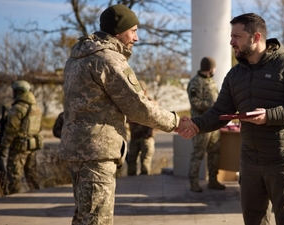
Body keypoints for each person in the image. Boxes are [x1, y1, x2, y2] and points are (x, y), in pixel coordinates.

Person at [59, 4, 197, 224]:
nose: (137, 37)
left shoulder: (76, 58)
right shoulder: (108, 59)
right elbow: (138, 106)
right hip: (97, 151)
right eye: (132, 30)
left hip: (76, 149)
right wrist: (175, 122)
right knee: (96, 220)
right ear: (118, 31)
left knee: (84, 216)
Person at [179, 13, 284, 225]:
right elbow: (219, 112)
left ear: (256, 37)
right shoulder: (235, 75)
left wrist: (269, 116)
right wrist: (196, 125)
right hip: (249, 161)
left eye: (237, 36)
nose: (231, 41)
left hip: (282, 161)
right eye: (231, 36)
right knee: (254, 220)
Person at [186, 57, 225, 192]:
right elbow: (195, 102)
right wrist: (212, 105)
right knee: (198, 153)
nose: (215, 70)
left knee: (215, 152)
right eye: (214, 68)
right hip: (200, 125)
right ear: (210, 68)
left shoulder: (212, 82)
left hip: (214, 124)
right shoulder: (195, 82)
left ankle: (213, 180)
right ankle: (193, 182)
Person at [0, 80, 43, 195]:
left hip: (19, 147)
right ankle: (38, 197)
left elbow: (10, 131)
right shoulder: (36, 107)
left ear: (19, 91)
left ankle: (14, 200)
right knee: (32, 175)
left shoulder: (18, 108)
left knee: (14, 176)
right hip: (32, 146)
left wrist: (3, 147)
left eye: (14, 91)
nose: (13, 93)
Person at [126, 81, 156, 176]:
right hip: (135, 137)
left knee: (145, 164)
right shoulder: (131, 104)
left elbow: (156, 121)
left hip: (146, 138)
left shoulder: (151, 103)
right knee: (131, 162)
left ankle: (143, 185)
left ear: (145, 91)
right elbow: (126, 119)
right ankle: (131, 185)